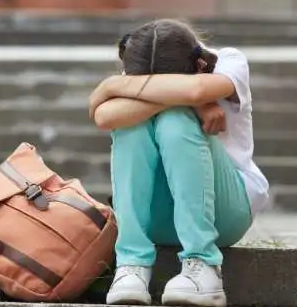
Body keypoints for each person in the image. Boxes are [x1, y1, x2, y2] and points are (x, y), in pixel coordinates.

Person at [88, 19, 270, 307]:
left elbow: (197, 91)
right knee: (129, 126)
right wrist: (188, 99)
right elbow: (104, 116)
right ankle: (131, 265)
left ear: (199, 66)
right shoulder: (142, 63)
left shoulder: (228, 61)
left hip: (226, 212)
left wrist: (117, 86)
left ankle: (204, 265)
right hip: (159, 218)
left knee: (175, 120)